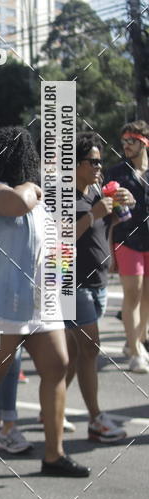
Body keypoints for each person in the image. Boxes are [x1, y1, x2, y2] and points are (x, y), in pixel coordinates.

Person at [0, 126, 90, 477]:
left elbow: (53, 242)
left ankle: (54, 455)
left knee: (58, 364)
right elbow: (17, 203)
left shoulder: (36, 200)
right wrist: (35, 186)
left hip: (39, 300)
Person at [63, 134, 128, 442]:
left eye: (101, 161)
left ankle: (53, 406)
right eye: (94, 161)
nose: (101, 167)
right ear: (75, 165)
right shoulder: (62, 196)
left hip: (98, 280)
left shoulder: (97, 192)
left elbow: (104, 229)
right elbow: (60, 241)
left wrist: (116, 212)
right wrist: (93, 215)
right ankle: (95, 419)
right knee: (90, 348)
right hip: (72, 282)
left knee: (75, 353)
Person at [106, 120, 149, 373]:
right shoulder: (116, 173)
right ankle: (135, 353)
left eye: (130, 141)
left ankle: (138, 340)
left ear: (144, 142)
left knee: (148, 296)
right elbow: (109, 213)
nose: (125, 146)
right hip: (126, 239)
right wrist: (108, 249)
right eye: (123, 142)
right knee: (132, 293)